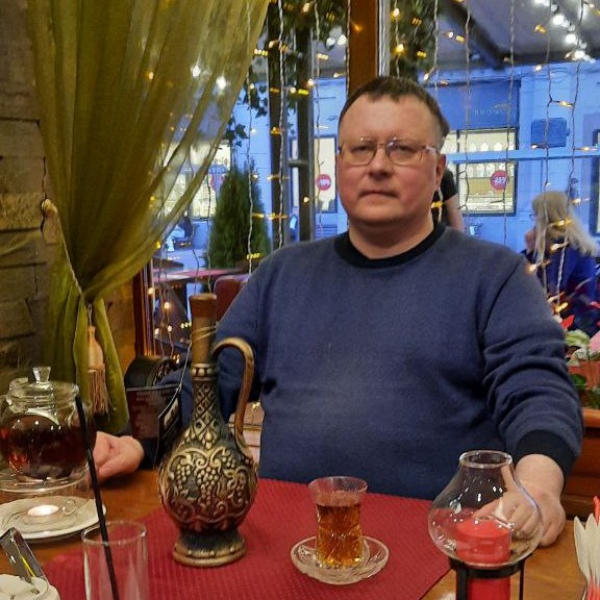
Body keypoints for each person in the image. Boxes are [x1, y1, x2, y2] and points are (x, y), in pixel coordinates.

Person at [95, 76, 582, 547]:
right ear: (340, 162)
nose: (378, 165)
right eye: (361, 148)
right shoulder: (282, 274)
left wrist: (537, 487)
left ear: (438, 171)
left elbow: (538, 393)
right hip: (288, 542)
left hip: (439, 546)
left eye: (402, 149)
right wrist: (136, 443)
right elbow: (207, 380)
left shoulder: (494, 276)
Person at [524, 190, 599, 336]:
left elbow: (552, 290)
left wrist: (531, 252)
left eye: (536, 216)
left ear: (546, 219)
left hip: (574, 326)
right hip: (582, 320)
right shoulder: (572, 244)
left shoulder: (564, 247)